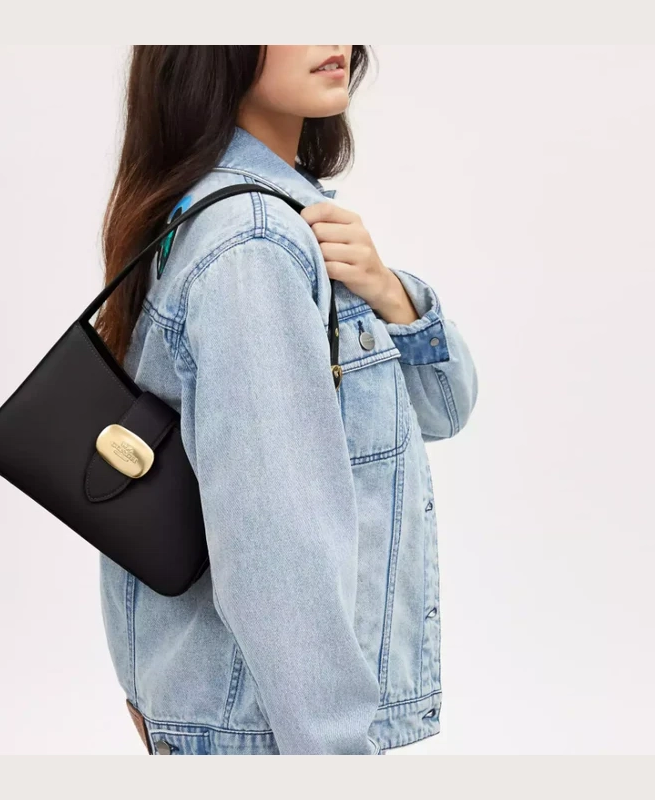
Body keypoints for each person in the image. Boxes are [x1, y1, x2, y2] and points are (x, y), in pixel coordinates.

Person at [96, 45, 479, 755]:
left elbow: (445, 410)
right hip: (271, 733)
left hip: (240, 717)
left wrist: (387, 292)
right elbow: (276, 548)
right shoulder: (255, 244)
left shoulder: (237, 213)